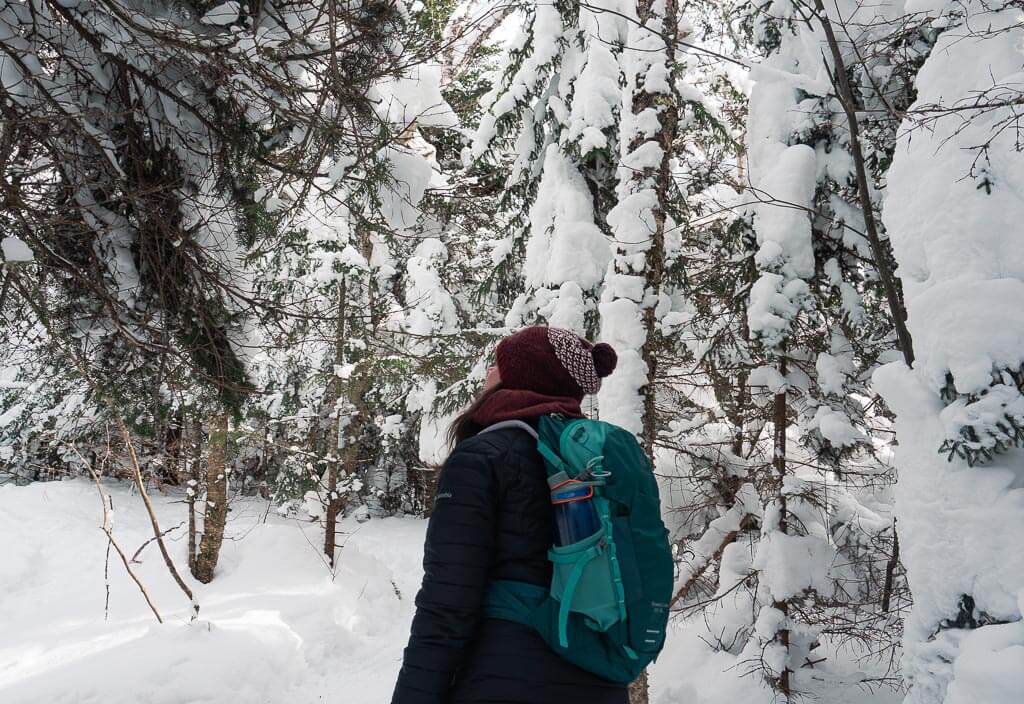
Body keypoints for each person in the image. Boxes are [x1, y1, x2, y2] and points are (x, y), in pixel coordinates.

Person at [391, 325, 626, 704]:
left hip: (505, 677)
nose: (488, 373)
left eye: (497, 365)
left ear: (522, 376)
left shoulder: (484, 457)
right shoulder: (602, 461)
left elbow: (448, 602)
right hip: (600, 678)